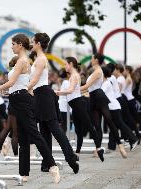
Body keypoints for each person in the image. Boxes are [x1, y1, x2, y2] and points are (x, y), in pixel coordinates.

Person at [0, 34, 60, 184]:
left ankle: (52, 165)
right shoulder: (22, 61)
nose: (12, 47)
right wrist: (4, 90)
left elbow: (12, 81)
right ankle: (24, 173)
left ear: (20, 45)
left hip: (22, 100)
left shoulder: (22, 61)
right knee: (22, 138)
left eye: (13, 44)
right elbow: (17, 84)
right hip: (16, 99)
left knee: (34, 134)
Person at [27, 33, 79, 174]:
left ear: (38, 44)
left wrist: (21, 89)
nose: (31, 44)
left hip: (44, 95)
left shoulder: (41, 59)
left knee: (55, 129)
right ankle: (47, 163)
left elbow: (35, 79)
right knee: (44, 131)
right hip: (40, 95)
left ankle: (71, 158)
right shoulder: (39, 58)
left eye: (33, 42)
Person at [55, 57, 105, 161]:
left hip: (78, 104)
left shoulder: (74, 76)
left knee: (89, 126)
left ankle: (99, 148)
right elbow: (76, 90)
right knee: (78, 129)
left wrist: (58, 92)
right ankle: (77, 152)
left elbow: (71, 90)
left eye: (66, 64)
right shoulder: (73, 75)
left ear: (71, 64)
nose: (65, 66)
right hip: (75, 104)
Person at [80, 53, 127, 159]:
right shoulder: (94, 72)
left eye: (92, 59)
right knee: (97, 125)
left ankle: (120, 145)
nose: (91, 60)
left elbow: (87, 86)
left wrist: (72, 90)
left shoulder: (98, 71)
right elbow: (89, 88)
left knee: (109, 122)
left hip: (99, 97)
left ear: (96, 60)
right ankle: (98, 149)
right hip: (93, 98)